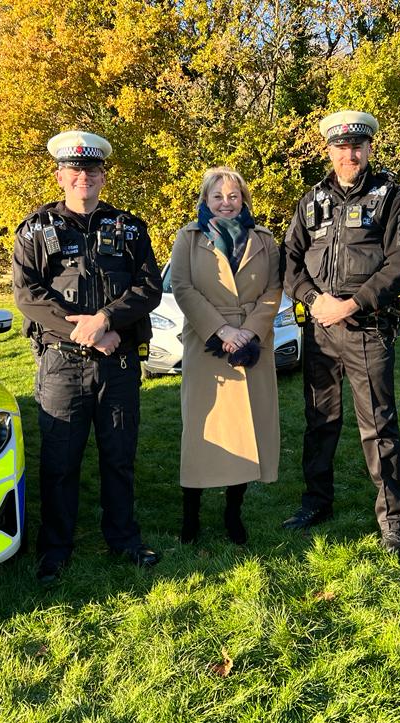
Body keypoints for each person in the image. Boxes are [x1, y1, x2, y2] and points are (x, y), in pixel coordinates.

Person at [12, 130, 163, 583]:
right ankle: (55, 549)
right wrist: (91, 332)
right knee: (60, 460)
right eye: (75, 170)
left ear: (102, 175)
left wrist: (107, 319)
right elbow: (28, 296)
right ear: (60, 175)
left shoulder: (130, 228)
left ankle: (123, 538)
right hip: (61, 363)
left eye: (92, 170)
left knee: (119, 455)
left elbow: (148, 287)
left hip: (117, 364)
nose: (84, 177)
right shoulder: (36, 230)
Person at [281, 110, 400, 554]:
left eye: (356, 146)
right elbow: (290, 260)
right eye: (341, 147)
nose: (349, 154)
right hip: (321, 329)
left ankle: (393, 519)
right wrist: (311, 298)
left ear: (368, 148)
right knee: (319, 422)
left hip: (367, 327)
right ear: (330, 150)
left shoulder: (391, 197)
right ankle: (316, 502)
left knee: (378, 426)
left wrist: (352, 303)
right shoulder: (311, 200)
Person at [170, 167, 282, 544]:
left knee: (246, 431)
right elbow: (183, 288)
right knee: (201, 432)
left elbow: (273, 288)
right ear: (206, 200)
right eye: (218, 196)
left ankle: (234, 514)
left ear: (244, 199)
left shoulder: (264, 239)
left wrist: (249, 331)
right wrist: (222, 331)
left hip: (253, 345)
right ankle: (190, 517)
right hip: (207, 344)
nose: (226, 203)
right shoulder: (188, 236)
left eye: (233, 196)